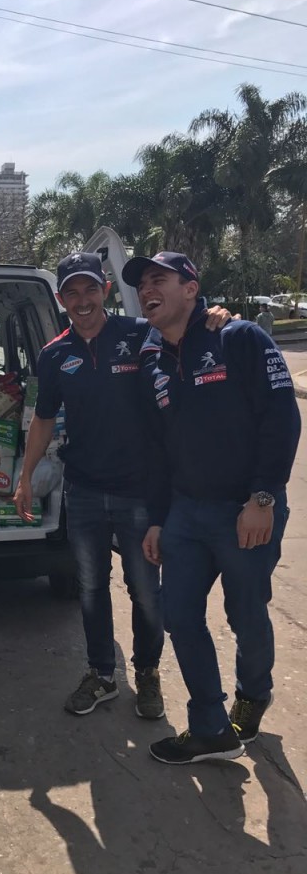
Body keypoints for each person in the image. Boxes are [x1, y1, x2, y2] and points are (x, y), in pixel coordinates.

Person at [14, 252, 231, 720]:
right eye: (72, 292)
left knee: (146, 591)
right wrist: (26, 476)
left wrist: (215, 314)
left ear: (106, 291)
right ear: (61, 299)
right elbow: (43, 420)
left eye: (91, 289)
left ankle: (148, 673)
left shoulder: (140, 335)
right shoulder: (54, 355)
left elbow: (182, 329)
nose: (82, 300)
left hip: (141, 491)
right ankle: (102, 674)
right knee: (91, 589)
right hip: (85, 491)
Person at [123, 251, 301, 765]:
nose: (147, 290)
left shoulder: (238, 339)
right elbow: (156, 449)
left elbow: (282, 419)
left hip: (245, 510)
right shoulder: (152, 362)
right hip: (184, 513)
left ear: (191, 289)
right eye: (141, 285)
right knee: (178, 614)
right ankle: (209, 727)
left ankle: (254, 694)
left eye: (160, 279)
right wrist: (158, 517)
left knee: (245, 614)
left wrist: (262, 498)